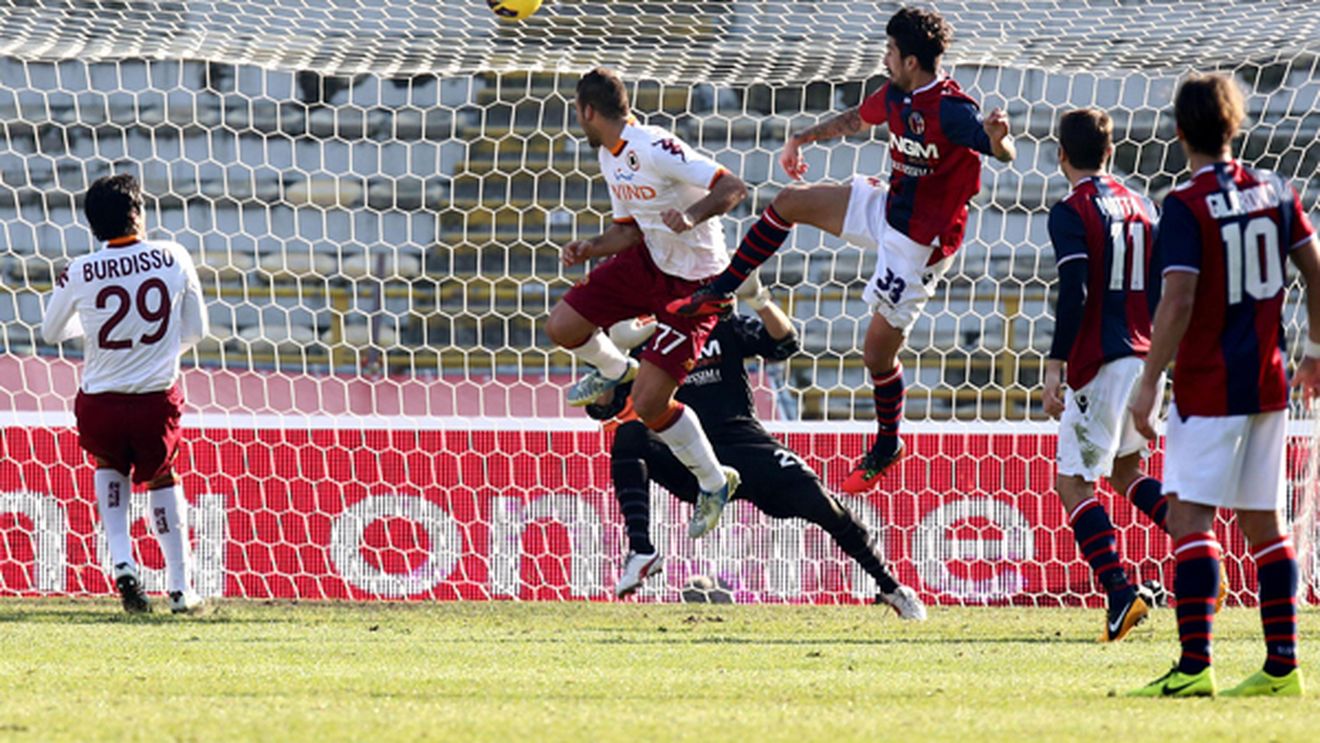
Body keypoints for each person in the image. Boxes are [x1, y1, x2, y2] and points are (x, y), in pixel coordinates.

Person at [665, 6, 1015, 495]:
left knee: (875, 355)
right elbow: (857, 117)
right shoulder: (896, 93)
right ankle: (721, 291)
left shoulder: (952, 109)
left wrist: (1000, 141)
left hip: (920, 246)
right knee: (788, 203)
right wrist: (803, 137)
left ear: (911, 59)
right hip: (889, 204)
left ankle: (888, 442)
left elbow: (995, 148)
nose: (885, 57)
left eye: (892, 51)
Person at [1127, 73, 1319, 697]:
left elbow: (1177, 300)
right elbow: (1316, 272)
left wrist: (1149, 380)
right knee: (1265, 524)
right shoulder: (1277, 190)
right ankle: (1282, 669)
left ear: (1179, 131)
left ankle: (1194, 667)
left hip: (1210, 384)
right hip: (1269, 381)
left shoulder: (1182, 206)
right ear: (1236, 124)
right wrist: (1314, 352)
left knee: (1189, 518)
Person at [588, 276, 927, 618]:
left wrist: (759, 298)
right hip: (687, 456)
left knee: (824, 505)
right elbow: (602, 409)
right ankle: (642, 552)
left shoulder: (718, 323)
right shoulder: (641, 342)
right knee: (630, 435)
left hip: (744, 444)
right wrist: (609, 362)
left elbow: (784, 344)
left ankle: (891, 588)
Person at [544, 68, 750, 540]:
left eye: (576, 110)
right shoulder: (608, 154)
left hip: (696, 285)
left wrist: (692, 215)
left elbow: (733, 187)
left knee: (650, 404)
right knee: (563, 326)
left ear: (587, 111)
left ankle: (715, 482)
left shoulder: (655, 146)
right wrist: (590, 247)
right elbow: (629, 230)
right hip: (649, 260)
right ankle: (616, 369)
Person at [40, 173, 208, 614]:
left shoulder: (79, 271)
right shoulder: (173, 256)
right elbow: (198, 329)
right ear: (138, 213)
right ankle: (179, 589)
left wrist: (94, 330)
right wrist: (159, 349)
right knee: (161, 476)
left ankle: (122, 563)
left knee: (109, 464)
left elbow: (50, 331)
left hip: (100, 400)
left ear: (93, 226)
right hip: (154, 397)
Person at [1042, 108, 1174, 642]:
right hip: (1146, 357)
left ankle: (1120, 592)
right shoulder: (1144, 205)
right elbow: (1167, 283)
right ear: (1111, 152)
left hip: (1102, 360)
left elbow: (1073, 291)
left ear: (1061, 156)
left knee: (1072, 482)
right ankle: (1200, 553)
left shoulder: (1071, 209)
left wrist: (1056, 363)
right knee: (1126, 472)